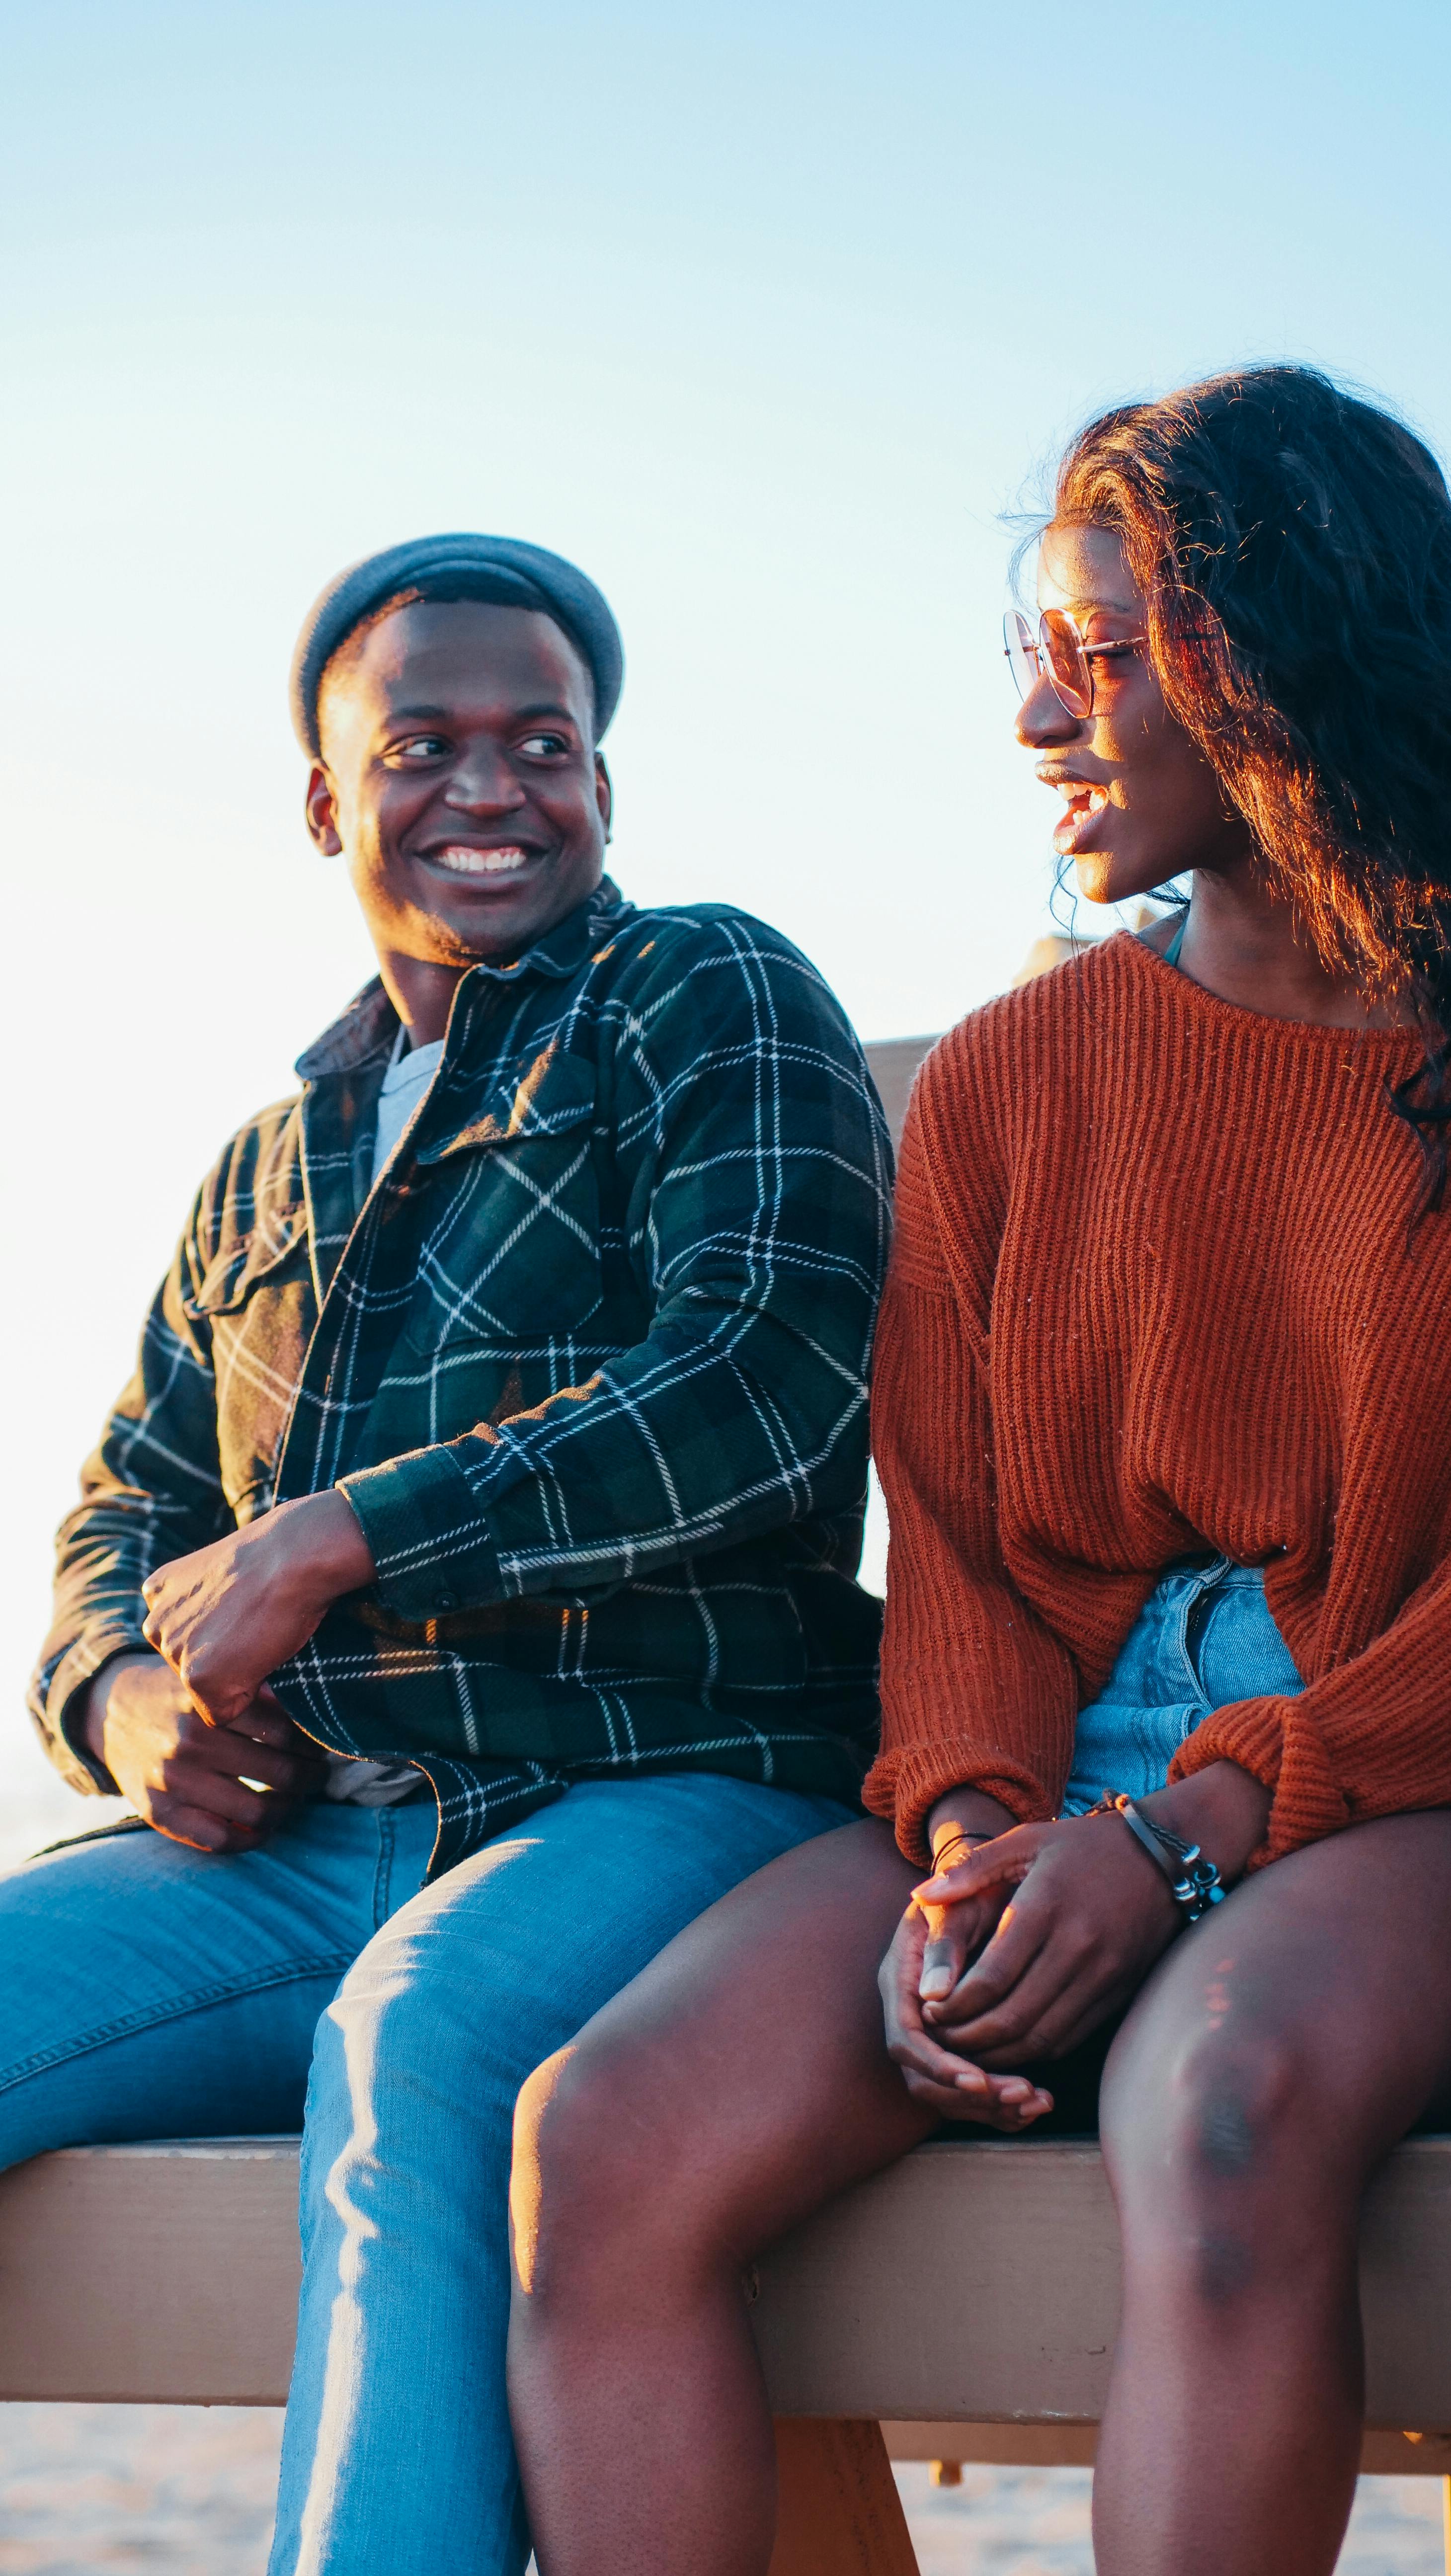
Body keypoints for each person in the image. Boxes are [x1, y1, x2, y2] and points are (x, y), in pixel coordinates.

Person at [506, 368, 1451, 2576]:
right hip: (1055, 1758)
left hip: (1390, 1763)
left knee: (1215, 2117)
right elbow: (954, 1546)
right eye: (1031, 650)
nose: (1042, 713)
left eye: (1107, 654)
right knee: (604, 2142)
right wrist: (967, 1846)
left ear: (1297, 652)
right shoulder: (1014, 1078)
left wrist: (1194, 1830)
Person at [9, 531, 891, 2575]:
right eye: (424, 743)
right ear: (329, 795)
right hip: (300, 1837)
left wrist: (346, 1536)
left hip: (661, 1787)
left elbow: (759, 1377)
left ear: (602, 782)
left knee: (418, 2045)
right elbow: (118, 1513)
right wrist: (124, 1700)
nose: (489, 787)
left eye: (544, 743)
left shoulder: (703, 994)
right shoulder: (265, 1158)